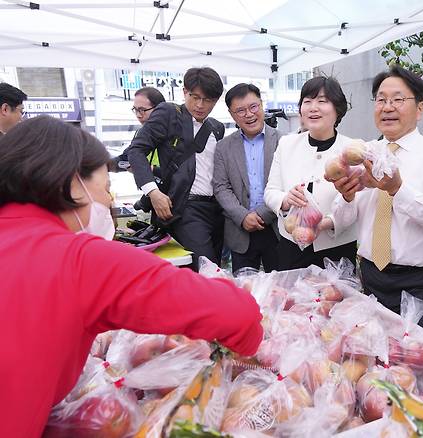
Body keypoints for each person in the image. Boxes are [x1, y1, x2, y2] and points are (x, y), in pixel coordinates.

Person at [0, 116, 263, 438]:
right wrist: (248, 351)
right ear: (70, 184)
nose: (110, 201)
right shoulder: (80, 259)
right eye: (106, 189)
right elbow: (236, 313)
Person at [330, 65, 423, 334]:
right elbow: (341, 223)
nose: (387, 107)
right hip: (371, 277)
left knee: (412, 364)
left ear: (420, 108)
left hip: (419, 283)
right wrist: (346, 195)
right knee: (372, 361)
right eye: (381, 99)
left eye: (398, 99)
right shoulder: (363, 153)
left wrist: (397, 189)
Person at [128, 67, 226, 268]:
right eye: (195, 97)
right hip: (184, 207)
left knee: (212, 268)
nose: (200, 105)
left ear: (216, 101)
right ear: (184, 92)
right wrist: (153, 192)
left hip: (216, 209)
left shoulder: (217, 127)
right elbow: (136, 150)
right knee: (208, 269)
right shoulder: (169, 113)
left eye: (208, 100)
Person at [264, 76, 358, 270]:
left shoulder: (352, 150)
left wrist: (329, 222)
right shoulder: (287, 144)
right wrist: (286, 200)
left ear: (338, 109)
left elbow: (359, 204)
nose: (313, 107)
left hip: (336, 248)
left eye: (322, 101)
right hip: (291, 246)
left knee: (336, 299)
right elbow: (270, 191)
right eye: (307, 101)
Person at [214, 83, 282, 273]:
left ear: (261, 105)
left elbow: (287, 184)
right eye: (240, 110)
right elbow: (220, 187)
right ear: (232, 114)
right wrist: (243, 217)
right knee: (245, 290)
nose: (249, 114)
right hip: (240, 230)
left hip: (277, 227)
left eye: (253, 107)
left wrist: (261, 214)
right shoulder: (223, 147)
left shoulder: (283, 141)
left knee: (281, 291)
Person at [109, 86, 166, 172]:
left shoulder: (175, 133)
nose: (138, 115)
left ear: (159, 109)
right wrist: (101, 166)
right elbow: (126, 158)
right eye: (135, 110)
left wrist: (151, 170)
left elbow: (184, 173)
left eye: (142, 110)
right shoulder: (140, 133)